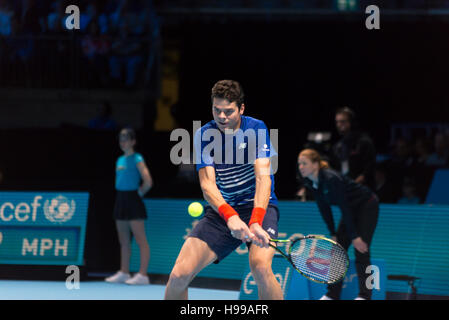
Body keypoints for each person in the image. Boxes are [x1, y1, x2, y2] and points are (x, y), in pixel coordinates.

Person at [164, 80, 283, 300]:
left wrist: (256, 220)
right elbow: (207, 184)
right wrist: (230, 216)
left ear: (241, 108)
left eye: (228, 111)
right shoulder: (204, 135)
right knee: (179, 275)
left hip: (258, 208)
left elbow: (263, 178)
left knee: (260, 268)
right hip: (223, 211)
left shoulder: (256, 128)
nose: (222, 117)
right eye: (217, 110)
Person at [298, 148, 379, 300]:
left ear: (315, 165)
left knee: (361, 249)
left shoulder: (331, 178)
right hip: (351, 209)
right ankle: (332, 295)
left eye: (304, 163)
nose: (301, 167)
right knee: (337, 251)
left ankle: (365, 296)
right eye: (299, 164)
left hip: (367, 206)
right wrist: (333, 233)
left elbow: (344, 207)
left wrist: (354, 236)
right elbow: (324, 208)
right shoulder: (310, 182)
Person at [105, 127, 153, 285]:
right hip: (120, 199)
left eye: (126, 139)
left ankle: (143, 275)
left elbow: (148, 181)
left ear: (133, 141)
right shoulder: (119, 159)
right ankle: (124, 272)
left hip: (133, 199)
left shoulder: (137, 158)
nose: (123, 142)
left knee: (140, 240)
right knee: (123, 240)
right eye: (121, 139)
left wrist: (138, 194)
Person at [332, 107, 376, 191]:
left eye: (342, 122)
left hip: (364, 191)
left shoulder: (364, 142)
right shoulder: (338, 146)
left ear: (351, 122)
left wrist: (354, 185)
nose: (338, 125)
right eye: (337, 122)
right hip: (345, 190)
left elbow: (369, 167)